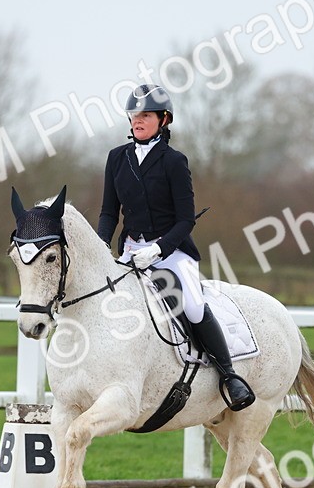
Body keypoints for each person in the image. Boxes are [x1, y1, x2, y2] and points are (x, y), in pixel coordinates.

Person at [97, 84, 255, 411]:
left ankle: (229, 376)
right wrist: (102, 248)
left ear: (164, 119)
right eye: (134, 115)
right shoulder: (116, 158)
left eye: (146, 115)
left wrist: (158, 251)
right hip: (129, 252)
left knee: (193, 307)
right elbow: (109, 212)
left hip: (171, 252)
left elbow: (186, 220)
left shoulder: (174, 162)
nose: (137, 120)